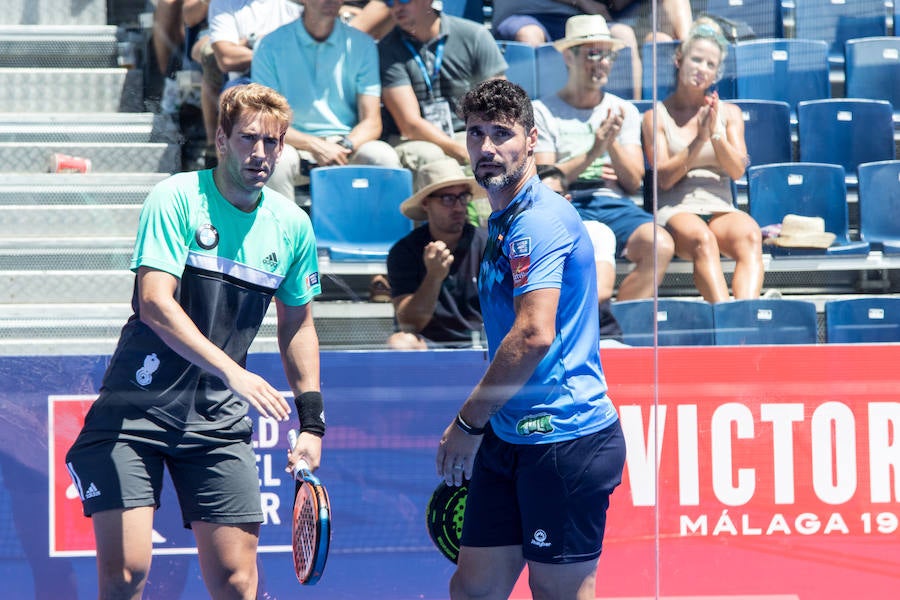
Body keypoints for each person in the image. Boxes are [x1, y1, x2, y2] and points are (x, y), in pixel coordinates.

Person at [64, 84, 325, 600]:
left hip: (216, 423)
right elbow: (155, 303)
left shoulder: (293, 226)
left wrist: (311, 421)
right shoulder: (176, 197)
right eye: (248, 138)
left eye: (273, 142)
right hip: (136, 412)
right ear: (221, 138)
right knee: (125, 574)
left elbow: (299, 325)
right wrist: (233, 370)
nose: (260, 153)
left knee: (236, 581)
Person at [436, 78, 626, 600]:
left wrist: (467, 422)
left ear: (532, 140)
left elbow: (533, 335)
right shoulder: (504, 219)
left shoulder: (536, 223)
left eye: (503, 133)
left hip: (565, 440)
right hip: (510, 433)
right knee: (473, 590)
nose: (488, 148)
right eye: (476, 134)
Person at [533, 14, 674, 301]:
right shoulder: (542, 111)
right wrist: (594, 151)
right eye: (593, 54)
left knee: (659, 246)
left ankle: (618, 322)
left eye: (607, 55)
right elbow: (545, 180)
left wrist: (612, 145)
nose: (603, 63)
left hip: (614, 202)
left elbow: (633, 182)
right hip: (568, 205)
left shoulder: (623, 110)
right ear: (568, 58)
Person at [641, 19, 763, 303]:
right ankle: (725, 318)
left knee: (751, 235)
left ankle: (747, 315)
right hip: (677, 208)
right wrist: (699, 140)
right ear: (679, 59)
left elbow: (736, 170)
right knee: (702, 240)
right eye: (696, 60)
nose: (701, 69)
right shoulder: (655, 116)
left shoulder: (729, 113)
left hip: (720, 206)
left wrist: (716, 134)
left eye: (710, 65)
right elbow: (664, 178)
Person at [251, 0, 401, 201]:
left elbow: (372, 122)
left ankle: (383, 232)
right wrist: (314, 145)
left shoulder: (362, 44)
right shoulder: (270, 44)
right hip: (289, 141)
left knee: (384, 158)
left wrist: (343, 146)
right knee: (277, 162)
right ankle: (285, 232)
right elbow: (265, 120)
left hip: (346, 143)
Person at [379, 0, 508, 170]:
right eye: (389, 2)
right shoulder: (387, 48)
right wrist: (461, 152)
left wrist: (483, 143)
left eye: (404, 0)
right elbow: (409, 124)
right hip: (415, 139)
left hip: (469, 131)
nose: (396, 8)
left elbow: (498, 104)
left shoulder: (474, 35)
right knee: (432, 157)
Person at [387, 158, 488, 349]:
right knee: (400, 343)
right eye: (448, 199)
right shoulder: (404, 251)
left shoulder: (487, 244)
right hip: (430, 345)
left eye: (463, 197)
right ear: (426, 203)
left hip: (484, 343)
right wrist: (433, 276)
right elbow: (410, 323)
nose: (459, 207)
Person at [192, 0, 303, 168]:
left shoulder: (295, 6)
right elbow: (227, 57)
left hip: (292, 78)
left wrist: (249, 45)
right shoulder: (224, 4)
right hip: (246, 79)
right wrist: (273, 52)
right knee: (230, 97)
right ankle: (224, 165)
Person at [537, 164, 624, 345]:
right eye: (538, 197)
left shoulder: (595, 232)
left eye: (554, 196)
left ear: (567, 199)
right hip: (542, 340)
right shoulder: (519, 241)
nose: (546, 203)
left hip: (598, 336)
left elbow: (602, 291)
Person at [490, 0, 641, 99]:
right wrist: (582, 1)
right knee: (529, 36)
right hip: (522, 13)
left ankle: (632, 115)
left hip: (578, 19)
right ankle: (528, 120)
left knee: (623, 34)